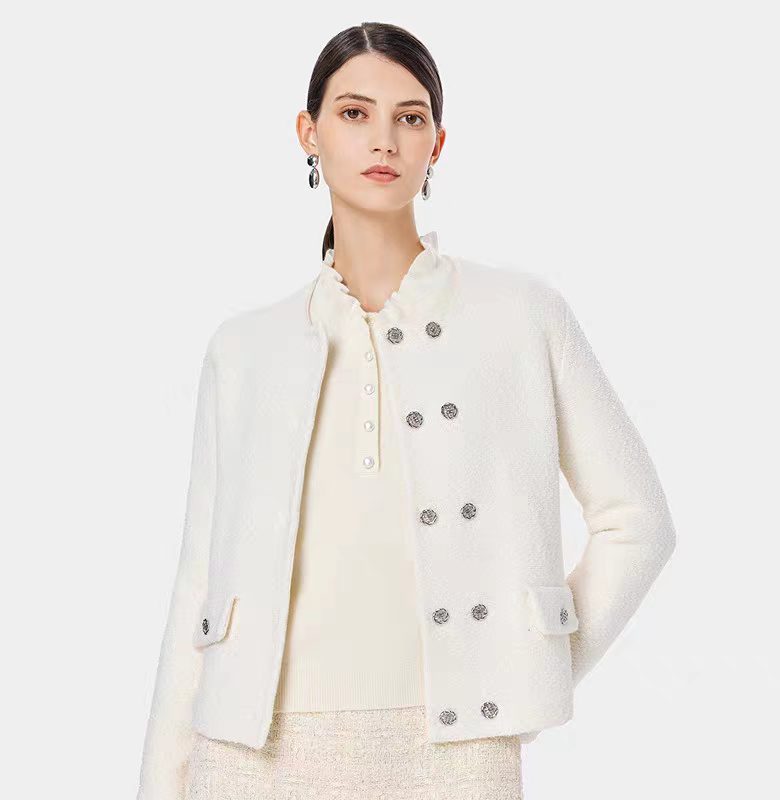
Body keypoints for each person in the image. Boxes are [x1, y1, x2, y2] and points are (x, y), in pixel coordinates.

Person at [137, 21, 676, 800]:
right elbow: (198, 586)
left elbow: (639, 521)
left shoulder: (522, 317)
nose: (383, 139)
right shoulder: (244, 348)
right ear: (309, 133)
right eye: (354, 113)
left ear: (437, 144)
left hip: (454, 754)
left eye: (410, 116)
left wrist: (523, 672)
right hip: (248, 756)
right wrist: (162, 784)